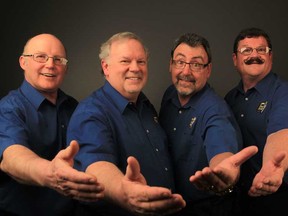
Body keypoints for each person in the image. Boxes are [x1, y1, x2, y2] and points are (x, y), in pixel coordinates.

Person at [66, 31, 185, 215]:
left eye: (141, 61)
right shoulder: (90, 113)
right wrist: (125, 191)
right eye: (125, 61)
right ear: (106, 67)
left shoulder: (145, 105)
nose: (135, 68)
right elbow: (97, 166)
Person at [0, 33, 104, 216]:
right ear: (23, 62)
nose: (50, 64)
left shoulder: (75, 107)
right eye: (41, 57)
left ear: (65, 68)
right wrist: (51, 173)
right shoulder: (9, 108)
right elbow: (12, 159)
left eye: (58, 59)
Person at [159, 33, 258, 216]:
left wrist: (225, 172)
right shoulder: (170, 95)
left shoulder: (216, 111)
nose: (186, 72)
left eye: (196, 64)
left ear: (208, 70)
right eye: (180, 62)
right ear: (171, 65)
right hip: (175, 205)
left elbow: (222, 152)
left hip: (209, 209)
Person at [225, 27, 288, 216]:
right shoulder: (230, 99)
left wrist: (274, 167)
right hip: (240, 198)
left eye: (261, 50)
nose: (255, 55)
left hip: (277, 194)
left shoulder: (283, 93)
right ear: (235, 59)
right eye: (246, 50)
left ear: (270, 56)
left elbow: (281, 133)